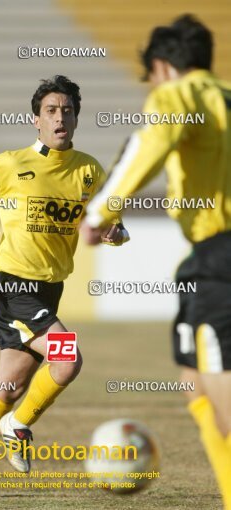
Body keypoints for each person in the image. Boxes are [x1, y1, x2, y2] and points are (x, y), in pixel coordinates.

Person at [0, 75, 129, 499]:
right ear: (35, 119)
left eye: (68, 111)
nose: (60, 118)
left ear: (76, 118)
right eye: (52, 111)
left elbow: (107, 218)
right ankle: (17, 426)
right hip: (12, 286)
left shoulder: (89, 170)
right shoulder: (11, 164)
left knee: (11, 388)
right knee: (67, 357)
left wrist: (114, 232)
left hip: (48, 289)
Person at [82, 15, 231, 510]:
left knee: (225, 407)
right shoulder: (224, 99)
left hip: (220, 257)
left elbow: (146, 146)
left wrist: (100, 212)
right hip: (209, 260)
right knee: (195, 382)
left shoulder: (176, 98)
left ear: (163, 67)